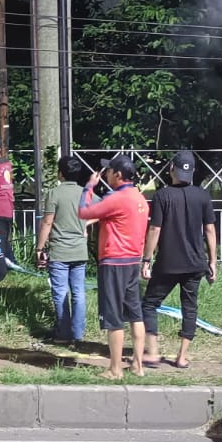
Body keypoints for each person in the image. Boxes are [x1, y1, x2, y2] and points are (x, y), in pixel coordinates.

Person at [140, 151, 218, 369]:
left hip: (168, 263)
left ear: (171, 169)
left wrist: (146, 259)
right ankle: (182, 357)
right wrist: (212, 261)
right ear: (192, 171)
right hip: (195, 263)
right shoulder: (202, 196)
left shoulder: (162, 196)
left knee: (149, 304)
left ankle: (153, 352)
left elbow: (155, 229)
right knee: (189, 308)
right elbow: (210, 230)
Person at [78, 155, 151, 379]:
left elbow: (84, 212)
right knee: (136, 315)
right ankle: (138, 365)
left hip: (113, 261)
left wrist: (89, 186)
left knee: (114, 318)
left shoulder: (117, 198)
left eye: (108, 171)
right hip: (133, 260)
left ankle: (115, 369)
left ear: (118, 174)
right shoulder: (139, 197)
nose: (105, 175)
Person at [35, 155, 92, 344]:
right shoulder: (85, 193)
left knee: (60, 292)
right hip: (80, 250)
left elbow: (47, 222)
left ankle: (63, 333)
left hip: (59, 250)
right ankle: (78, 334)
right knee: (79, 292)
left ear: (60, 173)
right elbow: (104, 210)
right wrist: (85, 224)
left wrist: (39, 248)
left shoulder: (54, 193)